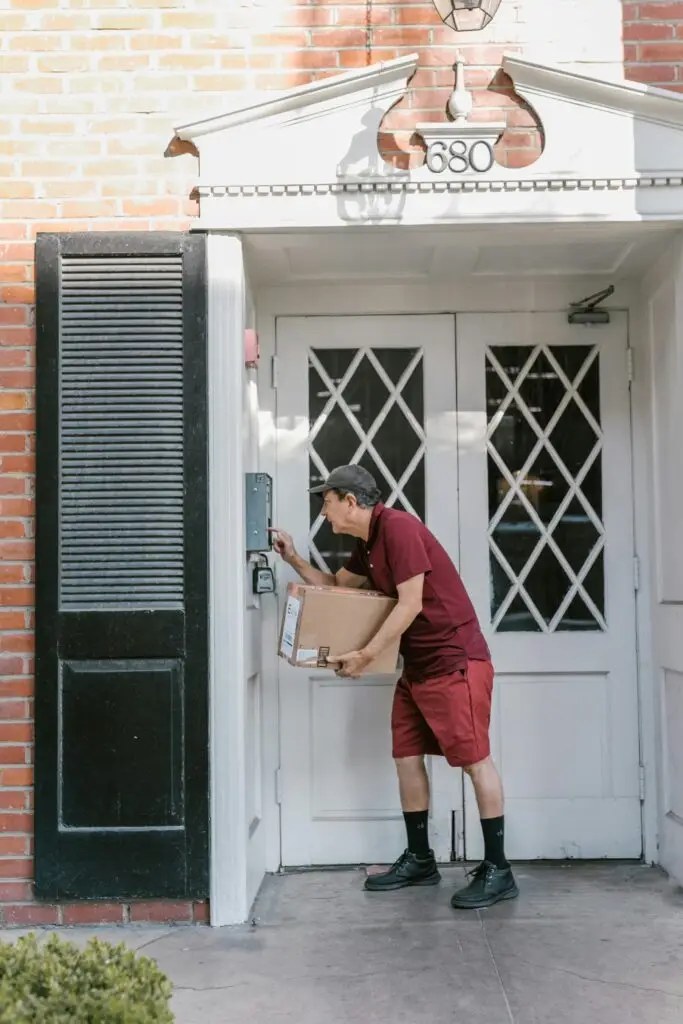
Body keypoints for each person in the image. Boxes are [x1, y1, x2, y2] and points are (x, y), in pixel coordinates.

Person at [270, 464, 518, 910]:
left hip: (455, 661)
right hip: (419, 667)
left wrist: (365, 656)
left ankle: (499, 869)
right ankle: (421, 859)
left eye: (326, 503)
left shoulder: (398, 528)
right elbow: (333, 589)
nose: (324, 514)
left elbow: (410, 604)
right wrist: (292, 557)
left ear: (350, 500)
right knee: (406, 757)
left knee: (475, 761)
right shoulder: (367, 546)